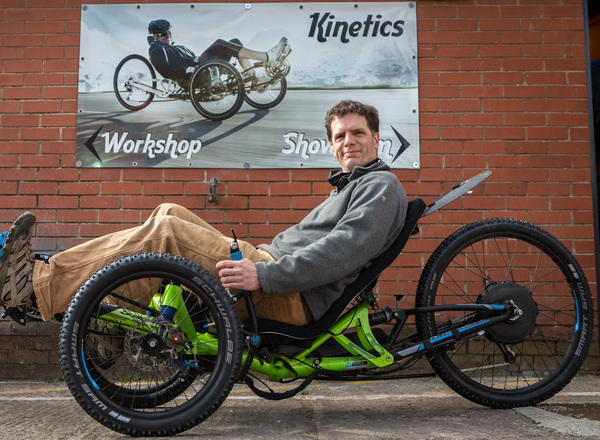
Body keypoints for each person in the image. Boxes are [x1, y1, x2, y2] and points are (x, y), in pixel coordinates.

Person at [0, 100, 407, 326]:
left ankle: (37, 285)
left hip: (290, 293)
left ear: (375, 138)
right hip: (270, 266)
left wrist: (264, 275)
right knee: (168, 210)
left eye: (357, 133)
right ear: (332, 145)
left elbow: (347, 248)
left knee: (167, 235)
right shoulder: (351, 185)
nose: (348, 141)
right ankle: (112, 318)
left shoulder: (380, 185)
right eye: (340, 135)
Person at [147, 19, 291, 86]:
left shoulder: (174, 47)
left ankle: (254, 79)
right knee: (219, 44)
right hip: (194, 74)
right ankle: (267, 57)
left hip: (199, 65)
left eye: (169, 33)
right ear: (155, 36)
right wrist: (189, 70)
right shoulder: (156, 51)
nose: (168, 36)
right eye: (163, 34)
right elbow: (167, 72)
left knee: (234, 41)